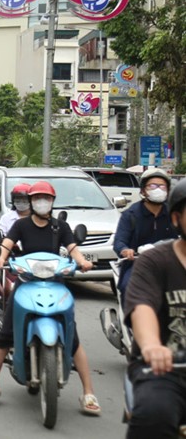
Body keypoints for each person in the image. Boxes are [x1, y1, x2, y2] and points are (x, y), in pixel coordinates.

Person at [0, 181, 100, 415]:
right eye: (37, 198)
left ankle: (88, 391)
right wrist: (0, 257)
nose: (41, 202)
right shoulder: (21, 224)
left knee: (73, 336)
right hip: (26, 282)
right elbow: (7, 243)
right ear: (31, 201)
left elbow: (73, 248)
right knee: (6, 334)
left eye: (46, 198)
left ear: (52, 201)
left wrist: (82, 261)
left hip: (55, 283)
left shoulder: (61, 226)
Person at [123, 178, 186, 439]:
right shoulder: (155, 261)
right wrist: (151, 345)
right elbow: (142, 307)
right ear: (176, 219)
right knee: (153, 415)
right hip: (168, 371)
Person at [114, 168, 177, 300]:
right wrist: (126, 250)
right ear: (143, 190)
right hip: (138, 265)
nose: (158, 189)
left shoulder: (174, 214)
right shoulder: (130, 215)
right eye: (153, 186)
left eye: (162, 186)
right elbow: (119, 242)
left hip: (169, 265)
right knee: (129, 287)